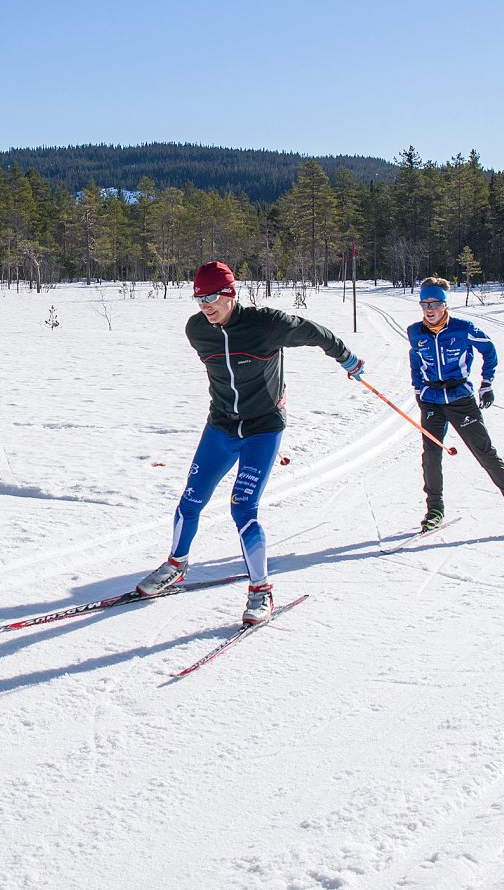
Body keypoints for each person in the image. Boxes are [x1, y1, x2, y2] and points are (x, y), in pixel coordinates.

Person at [134, 261, 365, 626]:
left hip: (263, 428)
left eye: (211, 297)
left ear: (230, 293)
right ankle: (176, 565)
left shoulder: (266, 325)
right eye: (198, 298)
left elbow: (317, 333)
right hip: (221, 427)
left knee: (242, 509)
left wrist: (347, 358)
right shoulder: (197, 330)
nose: (205, 305)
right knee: (189, 501)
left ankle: (261, 591)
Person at [405, 277, 504, 534]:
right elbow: (414, 358)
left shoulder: (463, 328)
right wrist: (418, 388)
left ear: (444, 304)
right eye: (424, 303)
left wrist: (486, 383)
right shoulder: (415, 332)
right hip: (432, 399)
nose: (429, 309)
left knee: (484, 453)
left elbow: (489, 350)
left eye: (434, 303)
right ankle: (434, 510)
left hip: (460, 400)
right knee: (431, 454)